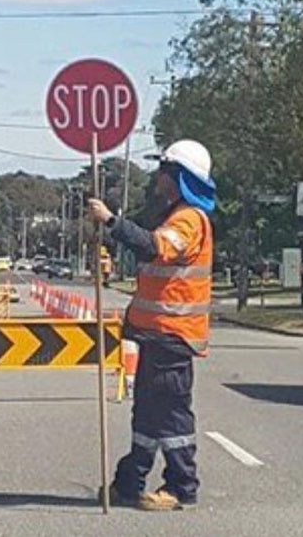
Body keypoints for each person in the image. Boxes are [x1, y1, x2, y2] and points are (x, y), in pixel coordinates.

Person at [89, 139, 215, 512]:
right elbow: (146, 242)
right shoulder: (175, 214)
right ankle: (130, 482)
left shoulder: (189, 219)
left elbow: (155, 246)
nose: (158, 177)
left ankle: (181, 486)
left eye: (164, 170)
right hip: (158, 334)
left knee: (170, 413)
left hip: (174, 334)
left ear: (179, 177)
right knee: (147, 411)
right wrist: (110, 228)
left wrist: (111, 220)